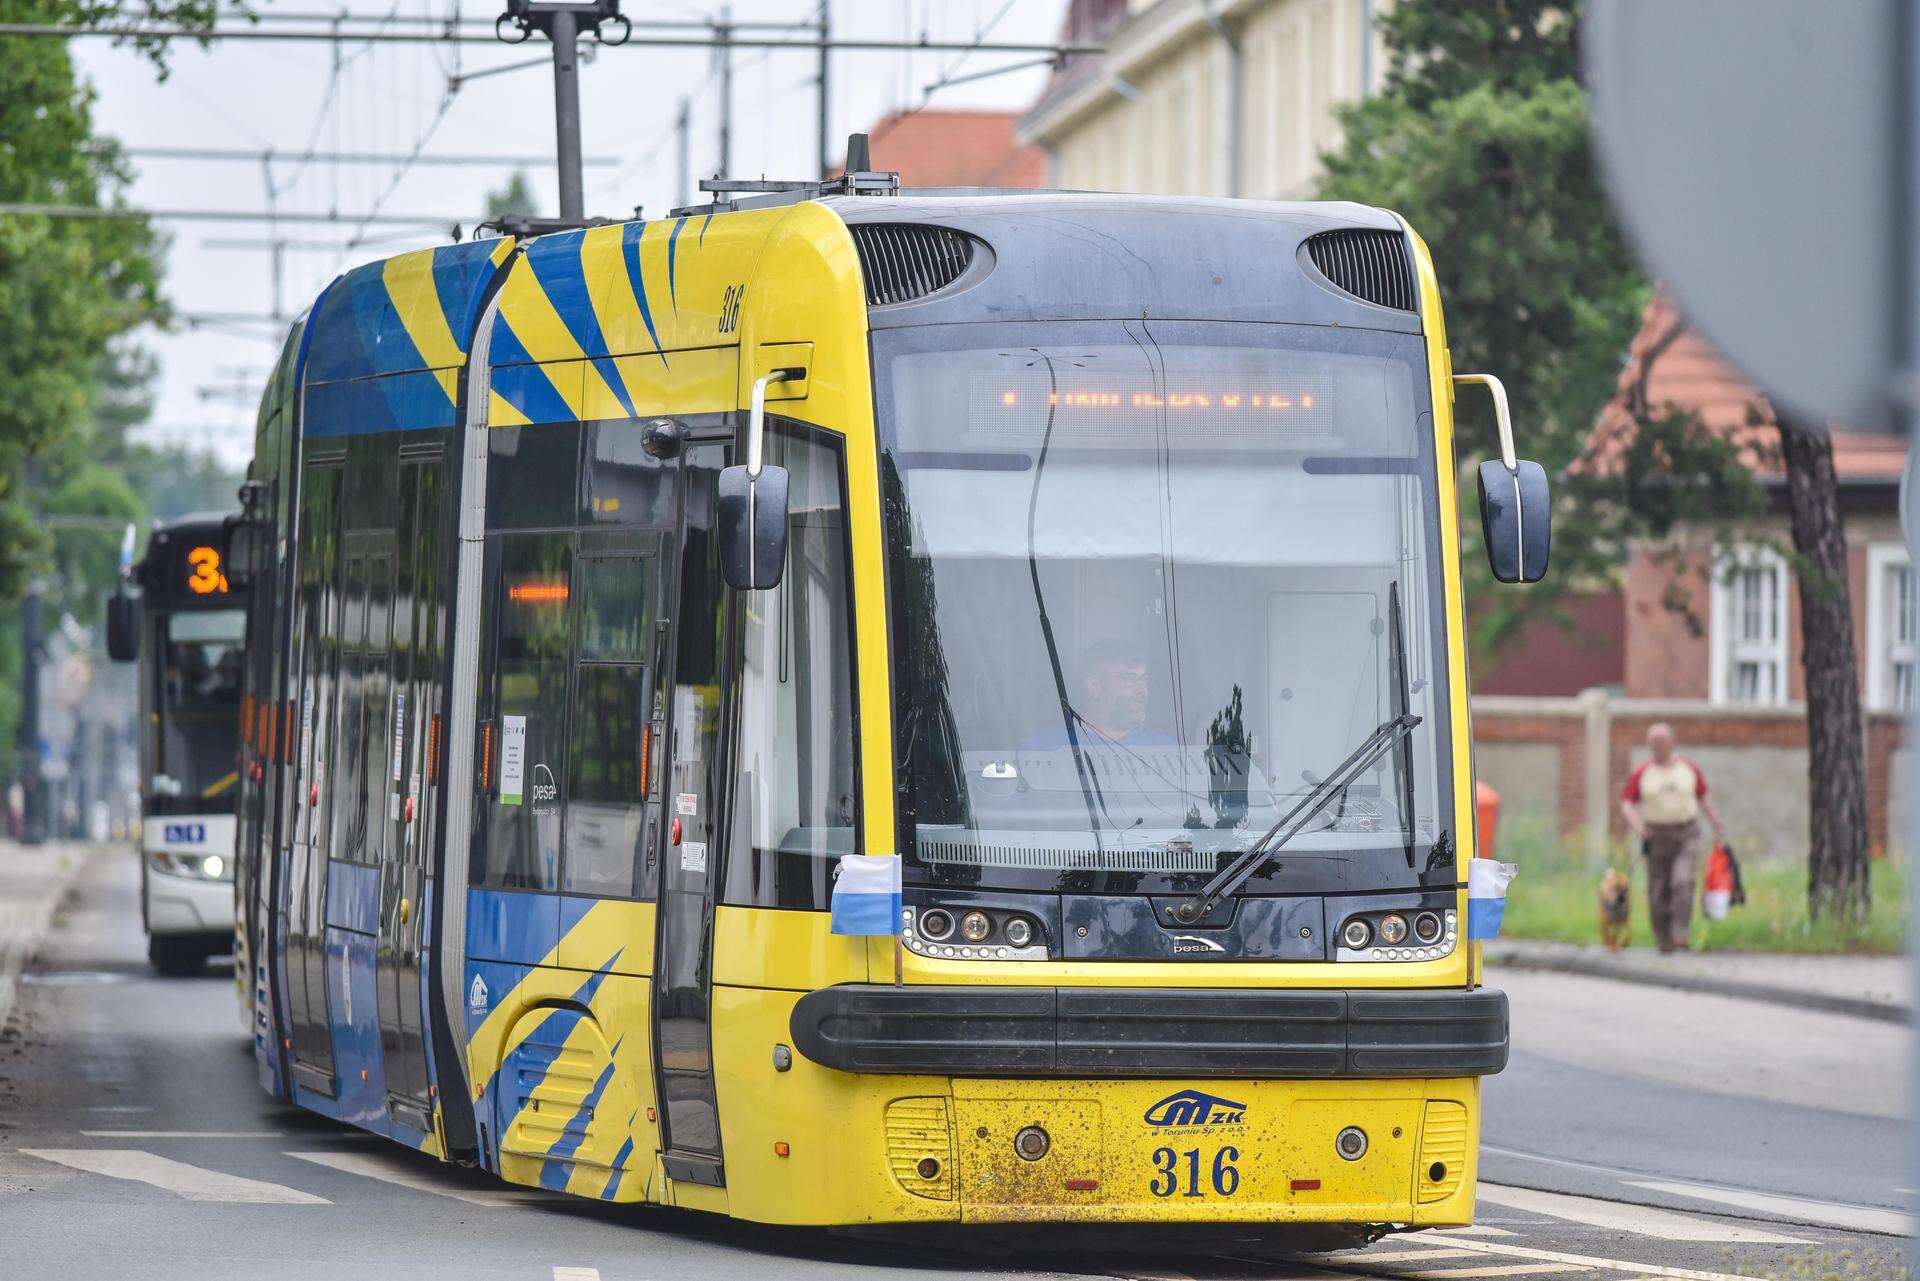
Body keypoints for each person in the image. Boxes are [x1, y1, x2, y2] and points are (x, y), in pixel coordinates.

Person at [1619, 722, 1727, 953]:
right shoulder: (1643, 772)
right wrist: (1638, 827)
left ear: (1672, 742)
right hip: (1656, 836)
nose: (1657, 747)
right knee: (1658, 889)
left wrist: (1716, 824)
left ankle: (1681, 933)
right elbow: (1627, 803)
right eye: (1653, 743)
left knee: (1682, 881)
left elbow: (1703, 796)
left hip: (1686, 833)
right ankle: (1663, 938)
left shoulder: (1688, 768)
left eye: (1661, 741)